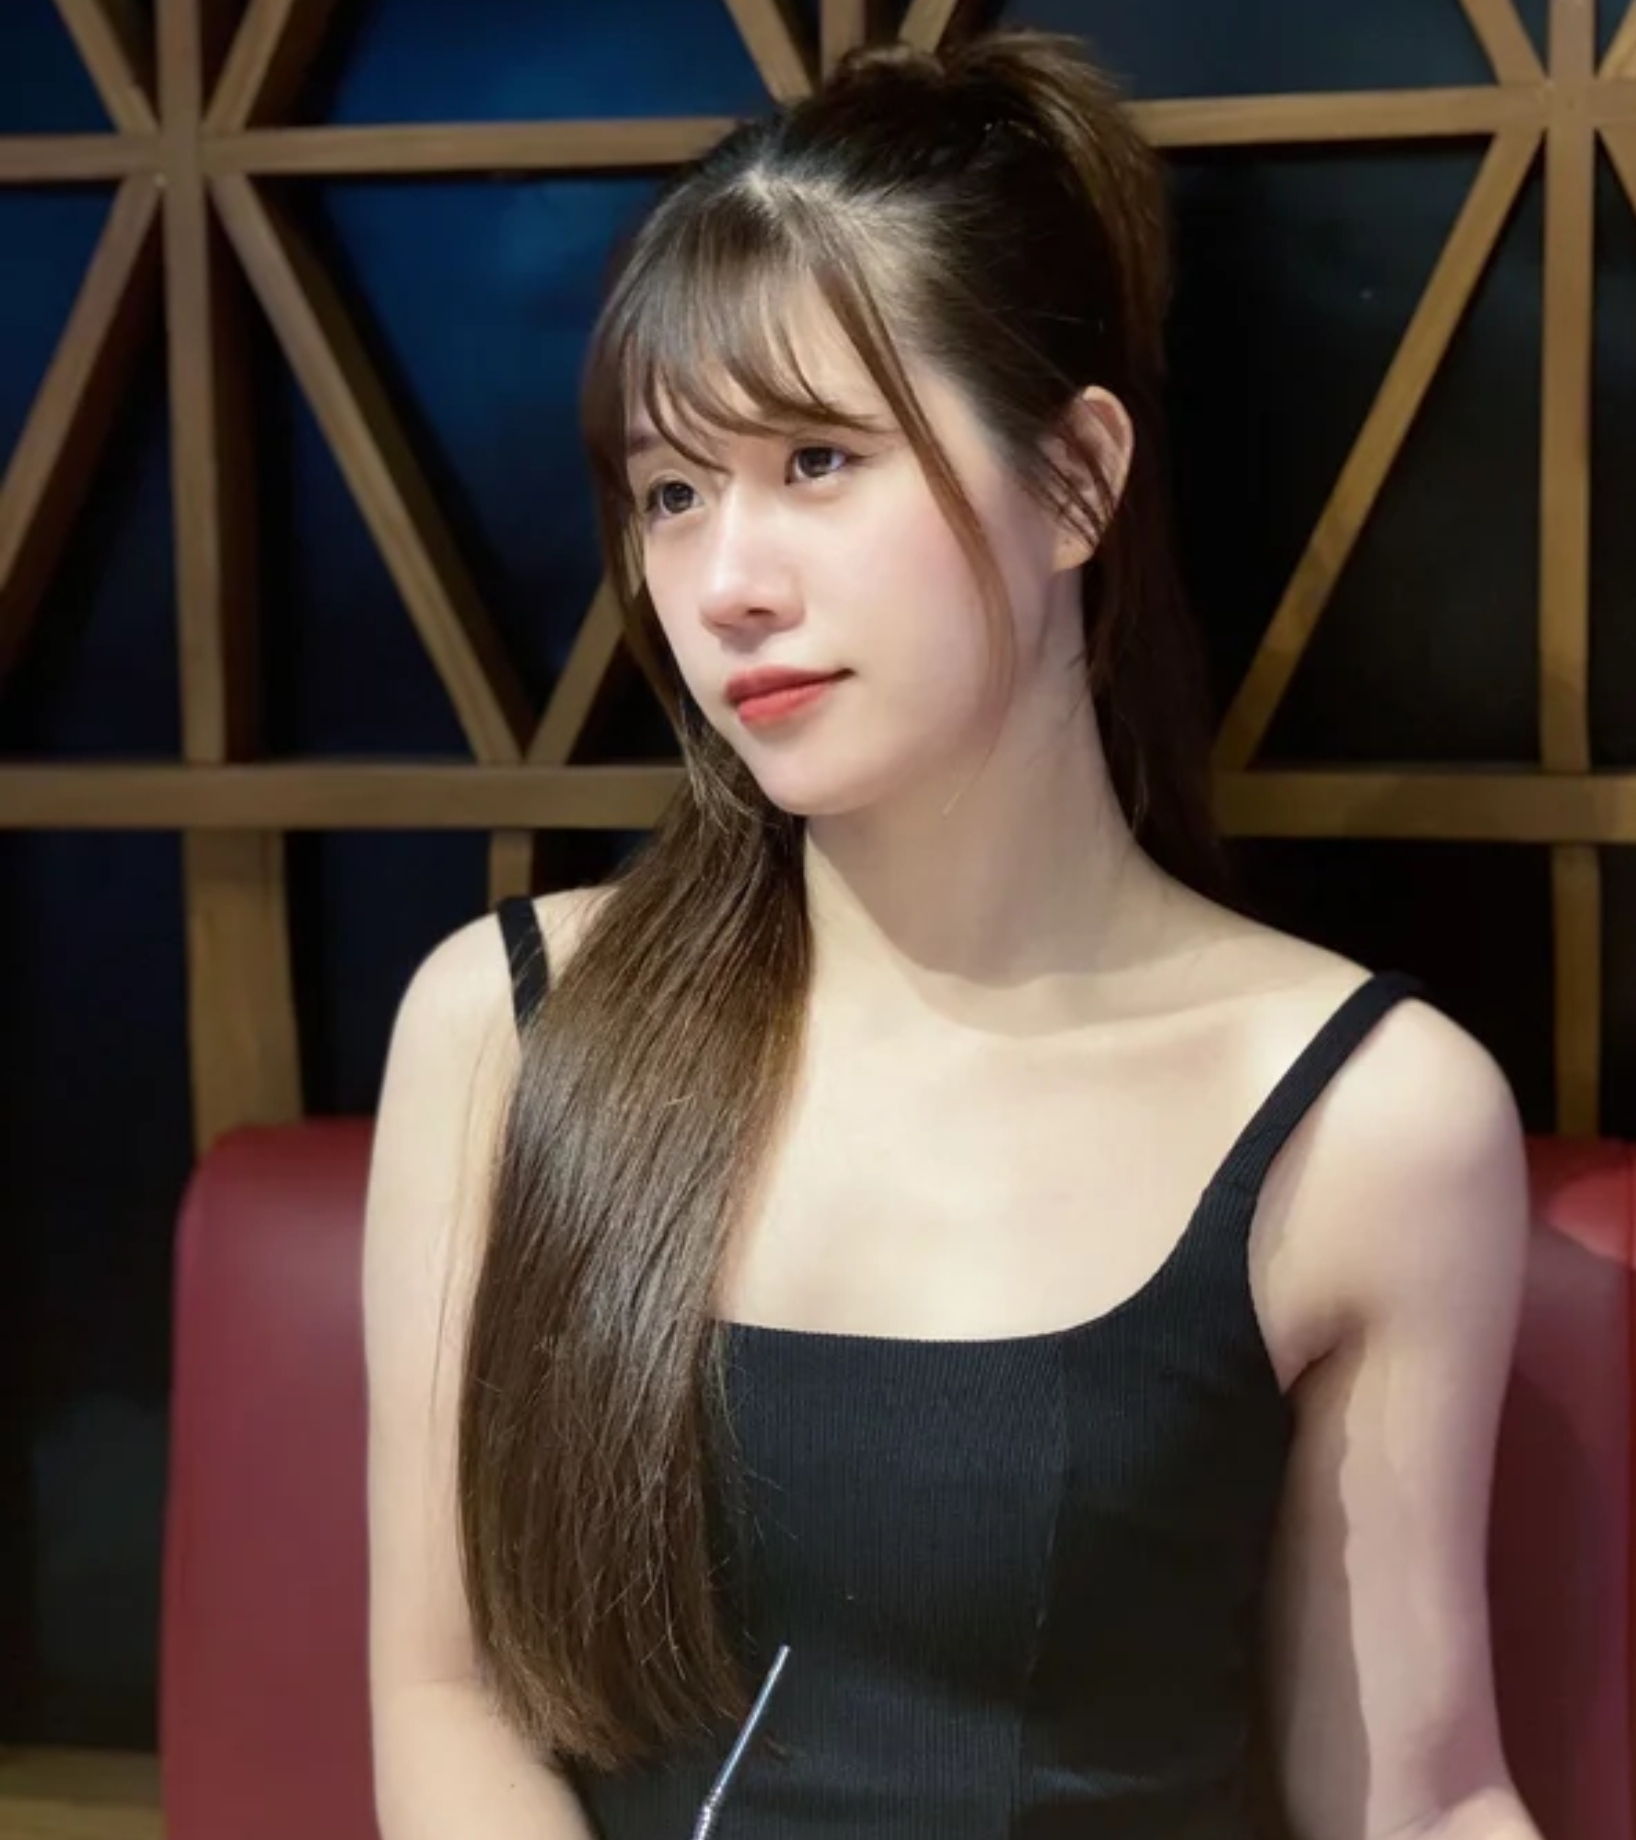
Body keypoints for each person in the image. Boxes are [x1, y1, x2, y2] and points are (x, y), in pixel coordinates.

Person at [361, 25, 1542, 1840]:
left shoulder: (1367, 1117)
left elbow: (1417, 1797)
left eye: (819, 459)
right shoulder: (512, 1028)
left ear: (1073, 481)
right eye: (672, 493)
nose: (725, 582)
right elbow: (450, 1695)